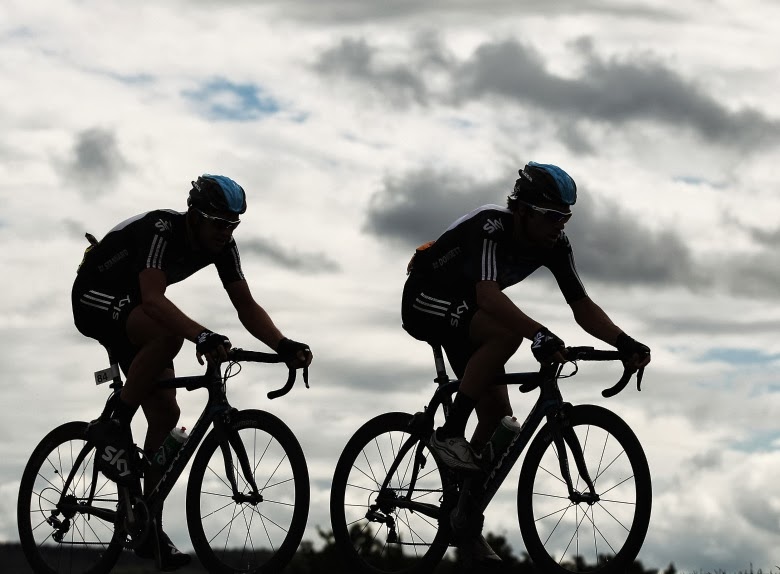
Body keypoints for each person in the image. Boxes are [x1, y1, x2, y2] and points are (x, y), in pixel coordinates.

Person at [401, 161, 650, 562]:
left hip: (467, 312)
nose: (560, 225)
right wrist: (538, 333)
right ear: (523, 210)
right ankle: (448, 435)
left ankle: (462, 517)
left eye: (566, 217)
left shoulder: (555, 243)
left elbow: (581, 305)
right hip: (426, 300)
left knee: (501, 423)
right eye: (552, 216)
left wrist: (624, 341)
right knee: (506, 334)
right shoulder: (490, 227)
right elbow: (487, 296)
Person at [72, 174, 313, 570]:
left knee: (167, 414)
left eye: (233, 224)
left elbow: (246, 306)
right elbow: (152, 298)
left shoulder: (224, 246)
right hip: (95, 296)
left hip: (133, 306)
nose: (226, 232)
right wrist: (200, 334)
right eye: (219, 223)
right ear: (195, 217)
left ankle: (146, 523)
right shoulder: (161, 230)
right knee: (170, 337)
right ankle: (114, 424)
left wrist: (283, 344)